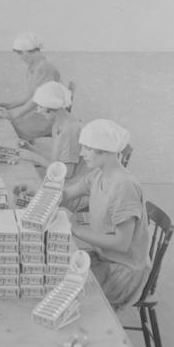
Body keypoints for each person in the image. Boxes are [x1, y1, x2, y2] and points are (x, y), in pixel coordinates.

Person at [62, 119, 151, 310]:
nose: (81, 153)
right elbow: (67, 194)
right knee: (57, 273)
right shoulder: (99, 174)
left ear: (104, 150)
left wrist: (74, 229)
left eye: (87, 148)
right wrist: (44, 193)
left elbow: (121, 243)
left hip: (123, 273)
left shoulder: (123, 186)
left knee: (63, 293)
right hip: (104, 258)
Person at [0, 32, 61, 143]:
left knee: (11, 128)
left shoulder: (44, 68)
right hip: (40, 113)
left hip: (49, 118)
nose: (20, 58)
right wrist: (10, 105)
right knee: (9, 122)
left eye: (21, 53)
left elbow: (38, 100)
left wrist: (14, 114)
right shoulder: (34, 66)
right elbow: (31, 95)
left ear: (32, 51)